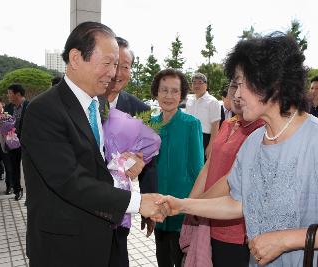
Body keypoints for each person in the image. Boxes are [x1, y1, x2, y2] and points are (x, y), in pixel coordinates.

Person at [159, 34, 318, 267]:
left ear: (272, 83)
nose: (236, 94)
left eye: (241, 83)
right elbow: (239, 202)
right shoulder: (254, 141)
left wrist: (285, 240)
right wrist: (182, 205)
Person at [21, 21, 166, 267]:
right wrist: (138, 203)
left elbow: (93, 163)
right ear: (76, 58)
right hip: (63, 247)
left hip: (102, 237)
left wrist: (123, 164)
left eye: (118, 65)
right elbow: (69, 180)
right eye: (108, 63)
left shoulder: (96, 105)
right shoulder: (44, 110)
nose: (113, 73)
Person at [187, 82, 264, 267]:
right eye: (233, 87)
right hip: (207, 217)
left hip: (234, 227)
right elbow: (209, 165)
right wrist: (192, 203)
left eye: (244, 87)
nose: (237, 94)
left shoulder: (260, 129)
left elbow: (232, 179)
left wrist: (196, 206)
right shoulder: (228, 123)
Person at [99, 36, 157, 267]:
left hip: (121, 207)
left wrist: (147, 208)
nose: (118, 72)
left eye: (125, 66)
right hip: (85, 205)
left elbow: (149, 165)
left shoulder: (139, 109)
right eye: (114, 64)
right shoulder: (87, 103)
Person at [150, 68, 204, 267]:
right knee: (161, 258)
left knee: (180, 259)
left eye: (174, 91)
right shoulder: (150, 123)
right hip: (157, 205)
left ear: (182, 95)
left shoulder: (191, 124)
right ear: (156, 92)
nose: (169, 96)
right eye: (164, 90)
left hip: (181, 209)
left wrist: (195, 207)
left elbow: (198, 169)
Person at [186, 73, 221, 160]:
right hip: (188, 137)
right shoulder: (189, 100)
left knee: (201, 166)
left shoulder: (213, 102)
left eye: (200, 82)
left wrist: (211, 146)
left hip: (204, 139)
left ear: (206, 85)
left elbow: (215, 126)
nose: (197, 85)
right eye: (194, 82)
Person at [4, 84, 28, 200]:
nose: (8, 95)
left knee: (28, 168)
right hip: (12, 140)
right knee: (14, 167)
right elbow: (4, 126)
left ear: (17, 94)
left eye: (9, 93)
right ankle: (17, 190)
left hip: (27, 143)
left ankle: (31, 191)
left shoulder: (30, 106)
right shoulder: (8, 107)